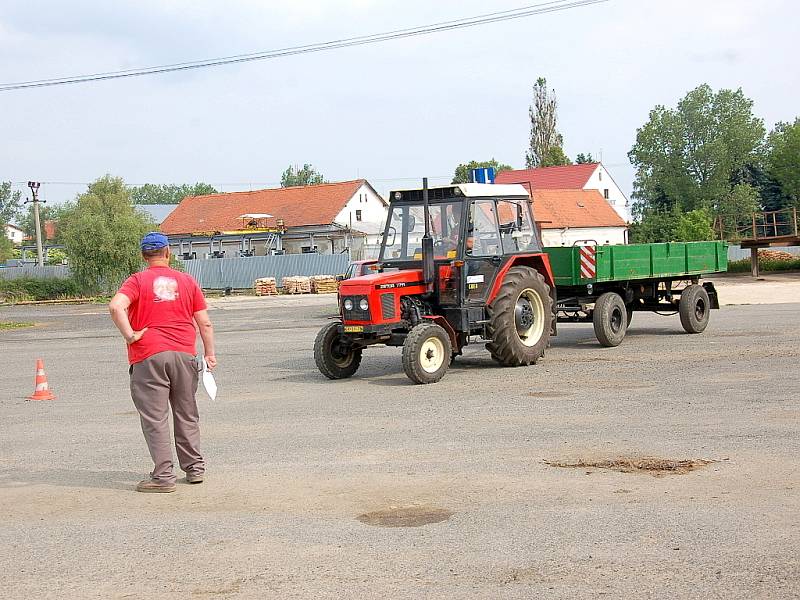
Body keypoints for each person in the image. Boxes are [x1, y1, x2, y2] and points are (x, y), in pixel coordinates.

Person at [109, 232, 216, 493]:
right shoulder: (187, 281)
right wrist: (209, 353)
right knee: (186, 414)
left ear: (143, 255)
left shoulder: (136, 281)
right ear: (168, 252)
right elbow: (204, 322)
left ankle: (163, 477)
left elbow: (115, 307)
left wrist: (131, 335)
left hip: (148, 355)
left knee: (155, 418)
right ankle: (194, 469)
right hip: (184, 355)